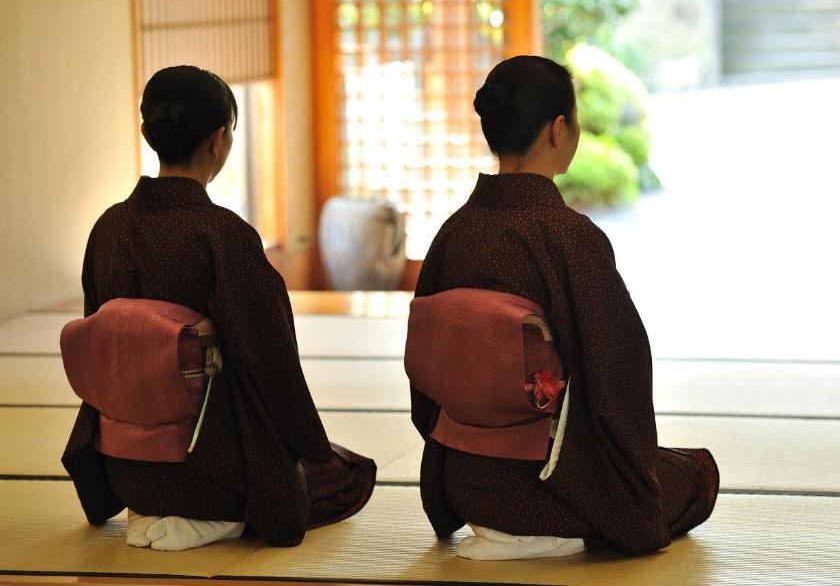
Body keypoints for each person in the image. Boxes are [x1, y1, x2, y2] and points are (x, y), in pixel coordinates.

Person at [408, 55, 718, 557]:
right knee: (697, 476)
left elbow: (428, 376)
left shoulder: (453, 233)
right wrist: (632, 478)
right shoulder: (569, 238)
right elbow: (619, 380)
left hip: (466, 486)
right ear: (558, 129)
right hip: (551, 488)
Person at [61, 65, 375, 550]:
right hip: (210, 467)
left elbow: (101, 350)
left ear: (148, 133)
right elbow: (273, 364)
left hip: (124, 471)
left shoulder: (109, 228)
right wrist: (314, 451)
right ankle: (215, 518)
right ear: (220, 139)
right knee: (350, 476)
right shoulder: (222, 235)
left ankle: (160, 512)